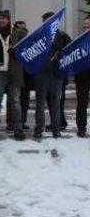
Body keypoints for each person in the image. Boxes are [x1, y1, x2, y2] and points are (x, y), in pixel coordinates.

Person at [0, 10, 28, 141]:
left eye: (4, 18)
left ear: (9, 20)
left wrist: (16, 50)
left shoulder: (17, 33)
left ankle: (18, 129)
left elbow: (27, 44)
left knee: (15, 102)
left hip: (14, 71)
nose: (2, 20)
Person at [33, 11, 71, 139]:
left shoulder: (63, 36)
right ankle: (39, 128)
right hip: (41, 74)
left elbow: (69, 53)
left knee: (56, 103)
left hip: (57, 74)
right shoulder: (38, 36)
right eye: (46, 21)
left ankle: (56, 128)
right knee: (40, 103)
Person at [75, 16, 90, 138]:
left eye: (88, 26)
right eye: (84, 26)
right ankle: (81, 128)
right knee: (82, 104)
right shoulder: (78, 41)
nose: (86, 29)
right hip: (82, 77)